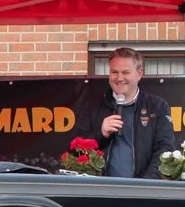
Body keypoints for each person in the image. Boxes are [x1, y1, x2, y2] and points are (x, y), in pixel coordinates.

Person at [72, 46, 175, 179]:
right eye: (114, 72)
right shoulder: (93, 106)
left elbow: (165, 150)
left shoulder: (157, 106)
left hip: (143, 187)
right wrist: (101, 134)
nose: (119, 78)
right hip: (102, 188)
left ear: (139, 74)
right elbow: (74, 150)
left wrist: (146, 183)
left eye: (126, 72)